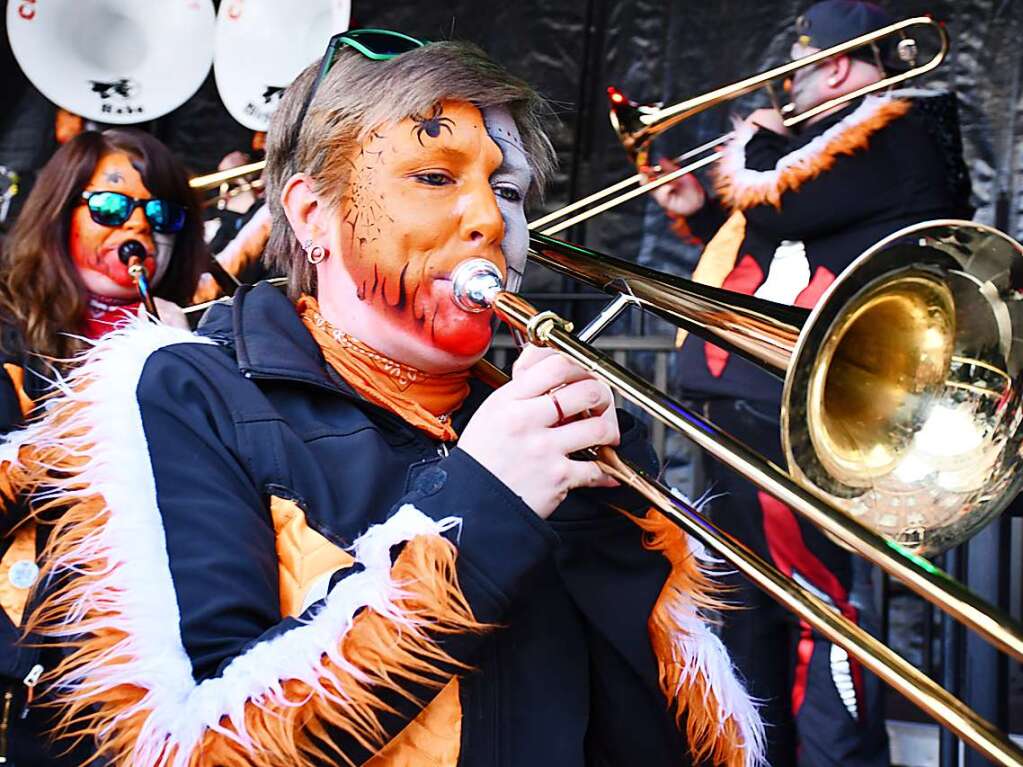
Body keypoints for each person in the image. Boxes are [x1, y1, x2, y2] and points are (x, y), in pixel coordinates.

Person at [2, 32, 764, 767]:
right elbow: (185, 744)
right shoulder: (184, 391)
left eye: (508, 190)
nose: (491, 221)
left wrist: (614, 540)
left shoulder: (532, 428)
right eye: (435, 177)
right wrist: (482, 510)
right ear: (310, 214)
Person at [648, 2, 973, 766]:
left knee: (811, 603)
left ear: (832, 64)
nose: (795, 86)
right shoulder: (832, 145)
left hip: (801, 400)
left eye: (806, 68)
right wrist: (700, 212)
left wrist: (749, 149)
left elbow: (787, 198)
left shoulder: (902, 127)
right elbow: (785, 237)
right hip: (745, 393)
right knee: (745, 602)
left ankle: (834, 756)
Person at [0, 127, 208, 765]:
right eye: (112, 208)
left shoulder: (200, 344)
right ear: (60, 213)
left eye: (162, 215)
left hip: (158, 676)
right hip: (35, 672)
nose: (138, 230)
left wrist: (198, 374)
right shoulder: (7, 342)